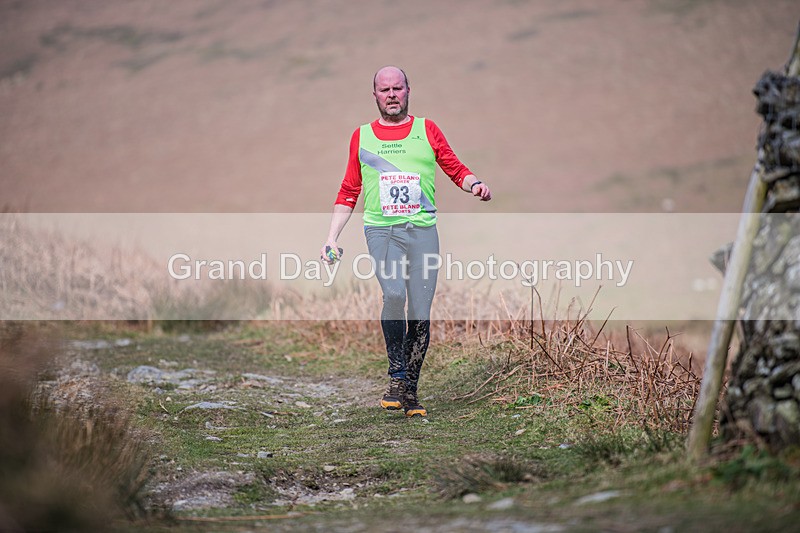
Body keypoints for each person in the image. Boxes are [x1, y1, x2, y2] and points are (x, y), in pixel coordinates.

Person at [321, 66, 491, 417]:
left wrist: (475, 184)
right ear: (375, 95)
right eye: (385, 90)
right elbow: (349, 189)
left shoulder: (427, 130)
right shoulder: (362, 136)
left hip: (422, 231)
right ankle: (397, 376)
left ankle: (410, 391)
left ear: (408, 90)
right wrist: (331, 237)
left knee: (420, 312)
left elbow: (454, 168)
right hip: (382, 231)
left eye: (397, 88)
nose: (392, 95)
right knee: (395, 294)